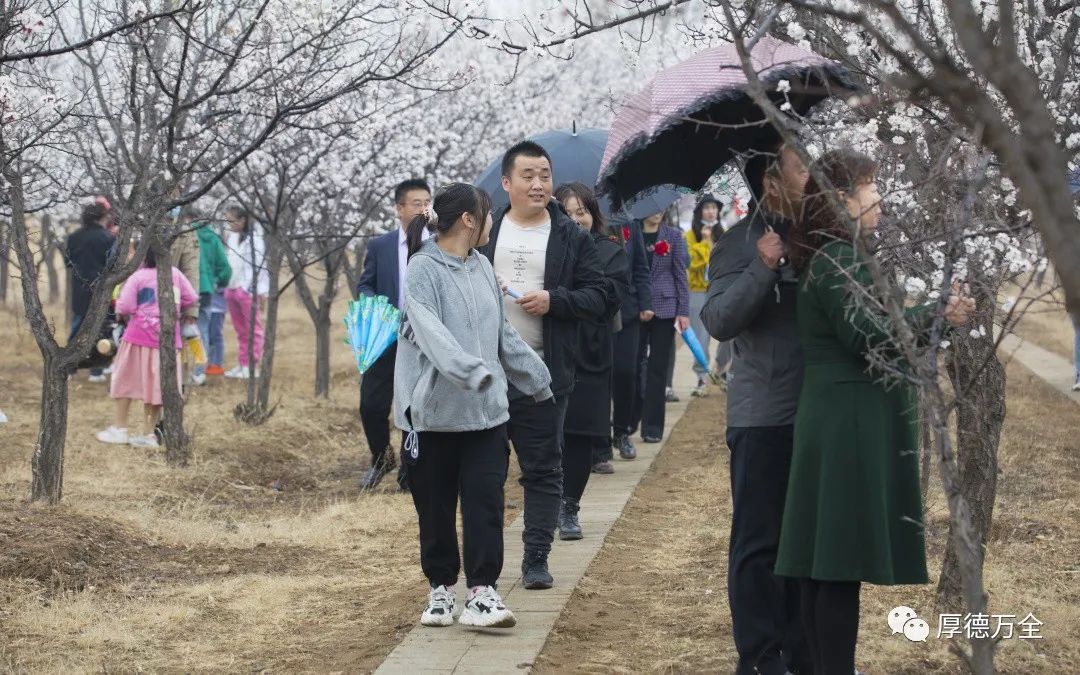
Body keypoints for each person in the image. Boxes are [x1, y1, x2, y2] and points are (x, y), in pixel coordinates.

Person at [776, 149, 974, 674]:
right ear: (843, 199)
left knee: (827, 565)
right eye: (871, 188)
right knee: (837, 563)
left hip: (843, 418)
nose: (880, 199)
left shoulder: (837, 254)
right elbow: (872, 334)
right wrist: (939, 312)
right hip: (848, 425)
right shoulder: (839, 257)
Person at [396, 183, 552, 629]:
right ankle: (441, 590)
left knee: (485, 503)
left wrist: (538, 380)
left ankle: (482, 593)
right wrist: (469, 370)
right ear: (469, 219)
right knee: (436, 508)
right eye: (486, 214)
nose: (490, 222)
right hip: (432, 417)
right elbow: (429, 333)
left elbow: (502, 334)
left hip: (487, 413)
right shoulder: (423, 270)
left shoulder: (483, 266)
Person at [700, 145, 811, 675]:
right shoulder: (739, 244)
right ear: (771, 182)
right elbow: (719, 319)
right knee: (759, 545)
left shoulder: (820, 236)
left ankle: (804, 653)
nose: (811, 177)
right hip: (762, 416)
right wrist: (764, 266)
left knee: (808, 545)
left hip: (816, 415)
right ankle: (761, 659)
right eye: (800, 169)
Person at [478, 140, 606, 590]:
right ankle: (483, 568)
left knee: (543, 468)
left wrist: (556, 300)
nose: (538, 184)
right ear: (507, 182)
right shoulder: (483, 229)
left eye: (544, 175)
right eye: (528, 176)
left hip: (545, 373)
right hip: (484, 375)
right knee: (485, 474)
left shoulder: (570, 234)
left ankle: (535, 557)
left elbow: (602, 295)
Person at [553, 183, 627, 540]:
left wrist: (562, 298)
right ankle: (549, 499)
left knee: (580, 434)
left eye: (581, 211)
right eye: (567, 212)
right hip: (550, 351)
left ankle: (569, 505)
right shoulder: (546, 251)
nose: (575, 218)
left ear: (593, 215)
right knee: (550, 435)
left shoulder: (608, 251)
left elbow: (608, 298)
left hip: (590, 352)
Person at [357, 179, 432, 491]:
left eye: (427, 202)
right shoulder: (380, 246)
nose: (423, 209)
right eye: (416, 203)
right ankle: (381, 458)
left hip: (423, 339)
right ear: (399, 209)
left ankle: (410, 469)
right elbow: (365, 284)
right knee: (371, 405)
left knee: (414, 406)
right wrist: (375, 308)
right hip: (385, 336)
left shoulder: (439, 243)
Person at [95, 246, 198, 448]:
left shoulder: (138, 276)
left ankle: (120, 428)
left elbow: (124, 306)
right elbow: (191, 297)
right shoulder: (175, 274)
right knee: (157, 387)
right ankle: (149, 434)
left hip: (138, 338)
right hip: (167, 341)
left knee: (124, 379)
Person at [629, 209, 689, 444]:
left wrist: (683, 310)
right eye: (650, 208)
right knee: (634, 365)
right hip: (636, 307)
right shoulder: (630, 232)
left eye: (660, 209)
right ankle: (630, 420)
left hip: (665, 307)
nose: (656, 212)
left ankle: (652, 426)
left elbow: (680, 274)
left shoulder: (673, 236)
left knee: (658, 368)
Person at [606, 214, 652, 471]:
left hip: (630, 312)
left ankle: (621, 431)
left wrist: (646, 303)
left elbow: (641, 270)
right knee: (602, 376)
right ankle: (600, 437)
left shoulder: (630, 223)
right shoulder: (588, 222)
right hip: (599, 313)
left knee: (626, 372)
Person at [64, 201, 116, 383]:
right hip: (101, 290)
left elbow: (68, 262)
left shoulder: (74, 237)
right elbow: (114, 265)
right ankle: (96, 371)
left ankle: (69, 367)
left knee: (77, 328)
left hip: (79, 288)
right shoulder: (108, 238)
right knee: (101, 330)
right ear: (102, 217)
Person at [223, 206, 268, 380]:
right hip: (232, 287)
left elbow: (258, 266)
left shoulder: (255, 238)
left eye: (231, 220)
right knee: (240, 330)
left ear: (242, 220)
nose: (229, 224)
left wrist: (248, 288)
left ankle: (252, 365)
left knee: (253, 329)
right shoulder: (232, 237)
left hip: (247, 290)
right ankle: (242, 363)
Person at [686, 194, 722, 397]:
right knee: (701, 337)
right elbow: (691, 263)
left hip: (718, 290)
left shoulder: (723, 233)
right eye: (706, 208)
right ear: (699, 212)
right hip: (697, 290)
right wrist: (705, 243)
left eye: (713, 208)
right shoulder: (690, 235)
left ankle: (722, 371)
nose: (710, 211)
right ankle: (701, 377)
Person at [192, 219, 232, 385]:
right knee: (202, 332)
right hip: (206, 290)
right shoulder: (214, 238)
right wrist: (215, 282)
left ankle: (185, 369)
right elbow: (226, 269)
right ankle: (199, 371)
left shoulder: (184, 234)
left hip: (186, 288)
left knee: (183, 332)